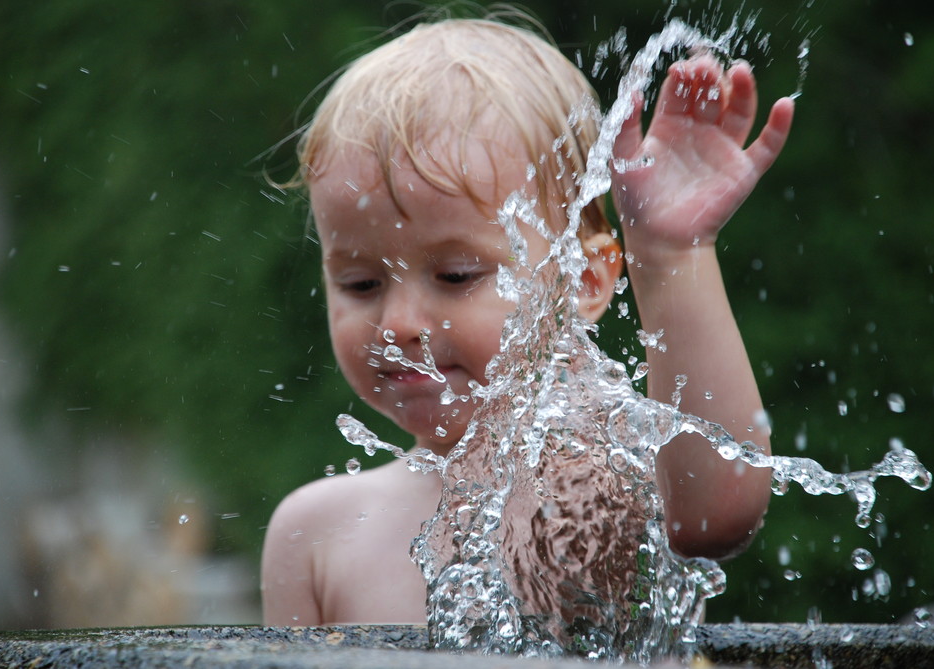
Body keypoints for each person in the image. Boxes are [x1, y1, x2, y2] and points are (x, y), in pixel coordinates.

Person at [261, 15, 793, 626]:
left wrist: (672, 256)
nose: (399, 322)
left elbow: (715, 516)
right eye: (360, 283)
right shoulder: (312, 538)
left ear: (585, 281)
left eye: (457, 276)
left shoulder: (607, 488)